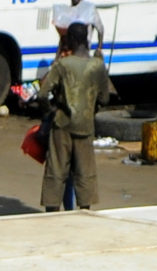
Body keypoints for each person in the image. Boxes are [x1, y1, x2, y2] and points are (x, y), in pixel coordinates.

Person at [40, 23, 112, 213]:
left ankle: (52, 215)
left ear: (70, 40)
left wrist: (51, 110)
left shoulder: (62, 64)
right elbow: (105, 98)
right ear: (86, 40)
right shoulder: (97, 66)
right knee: (84, 174)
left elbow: (42, 94)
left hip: (62, 124)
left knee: (56, 171)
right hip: (85, 126)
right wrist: (91, 109)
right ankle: (84, 213)